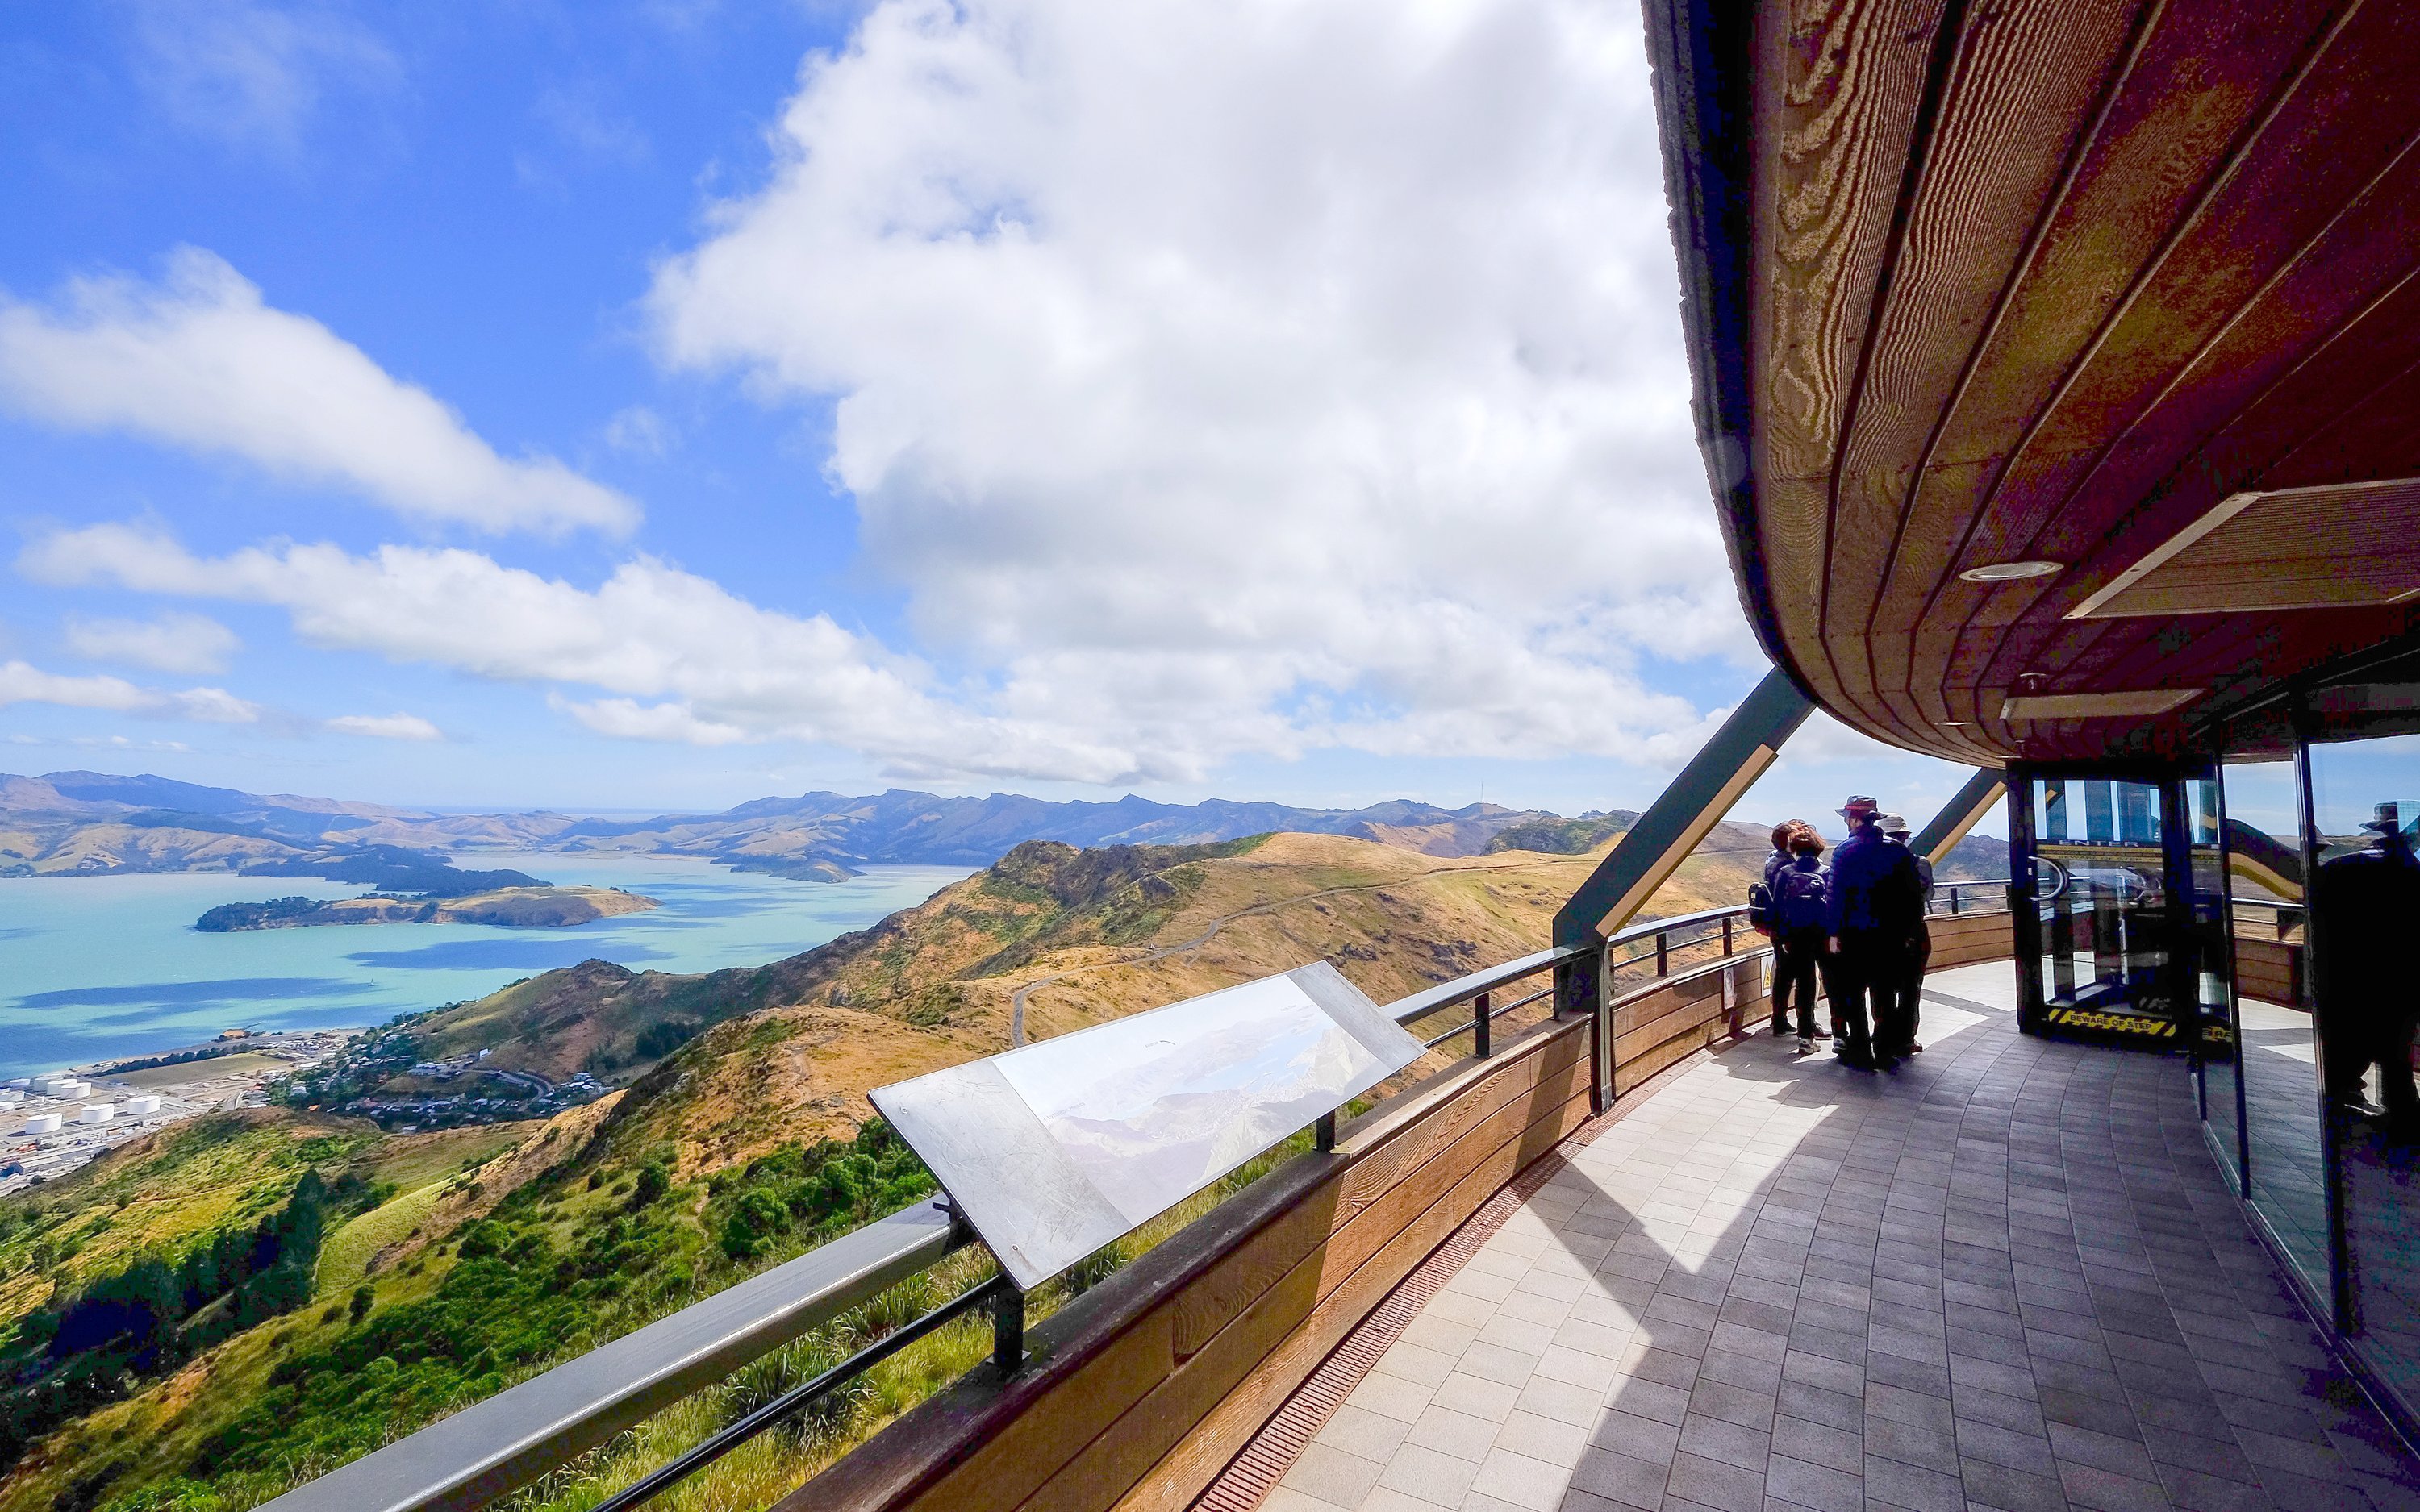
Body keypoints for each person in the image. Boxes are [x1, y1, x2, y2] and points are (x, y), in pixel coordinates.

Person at [2311, 802, 2420, 1131]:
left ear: (2376, 834)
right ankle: (2401, 1113)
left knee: (2345, 1043)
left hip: (2347, 975)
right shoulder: (2416, 874)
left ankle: (2337, 1103)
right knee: (2395, 1051)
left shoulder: (2341, 868)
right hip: (2402, 977)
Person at [1824, 794, 1925, 1069]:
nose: (1846, 822)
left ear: (1855, 820)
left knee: (1853, 995)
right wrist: (1909, 933)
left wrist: (1833, 934)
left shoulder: (1845, 851)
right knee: (1885, 996)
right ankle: (1884, 1051)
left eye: (1847, 818)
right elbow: (1912, 897)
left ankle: (1859, 1051)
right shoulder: (1898, 851)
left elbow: (1836, 896)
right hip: (1891, 938)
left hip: (1854, 936)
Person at [1769, 828, 1831, 1051]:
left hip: (1794, 937)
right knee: (1819, 984)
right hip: (1820, 935)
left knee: (1794, 981)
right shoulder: (1826, 872)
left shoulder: (1785, 872)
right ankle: (1821, 1035)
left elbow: (1778, 907)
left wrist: (1782, 936)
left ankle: (1792, 1031)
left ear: (1794, 848)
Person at [1880, 814, 1932, 1058]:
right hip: (1914, 931)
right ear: (1906, 836)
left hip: (1882, 933)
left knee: (1883, 987)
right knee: (1911, 988)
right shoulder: (1919, 863)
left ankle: (1883, 1037)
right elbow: (1927, 894)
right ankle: (1907, 1038)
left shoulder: (1875, 864)